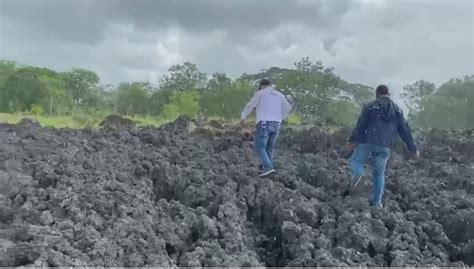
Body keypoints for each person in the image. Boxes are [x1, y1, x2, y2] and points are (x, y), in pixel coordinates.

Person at [347, 84, 420, 207]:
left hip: (367, 142)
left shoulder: (370, 107)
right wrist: (413, 148)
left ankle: (360, 175)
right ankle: (377, 203)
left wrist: (352, 141)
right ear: (389, 95)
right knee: (379, 172)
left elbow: (361, 125)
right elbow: (405, 130)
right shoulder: (397, 110)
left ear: (376, 94)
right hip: (385, 146)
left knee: (356, 162)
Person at [241, 79, 292, 177]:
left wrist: (243, 116)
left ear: (262, 86)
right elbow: (288, 109)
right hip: (277, 124)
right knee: (269, 147)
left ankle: (268, 167)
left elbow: (250, 105)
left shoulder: (260, 94)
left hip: (264, 122)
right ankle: (268, 168)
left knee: (260, 146)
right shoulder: (280, 95)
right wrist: (279, 117)